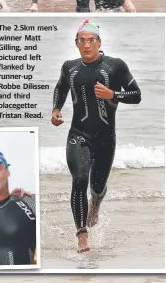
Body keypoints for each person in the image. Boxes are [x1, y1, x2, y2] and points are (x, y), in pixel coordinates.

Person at [51, 20, 142, 252]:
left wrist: (113, 93)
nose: (87, 45)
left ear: (99, 42)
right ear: (76, 44)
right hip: (77, 134)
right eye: (82, 40)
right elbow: (61, 88)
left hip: (105, 138)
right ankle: (82, 234)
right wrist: (55, 109)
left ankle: (97, 203)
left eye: (91, 40)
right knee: (79, 179)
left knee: (97, 186)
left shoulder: (115, 66)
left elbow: (137, 95)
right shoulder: (69, 67)